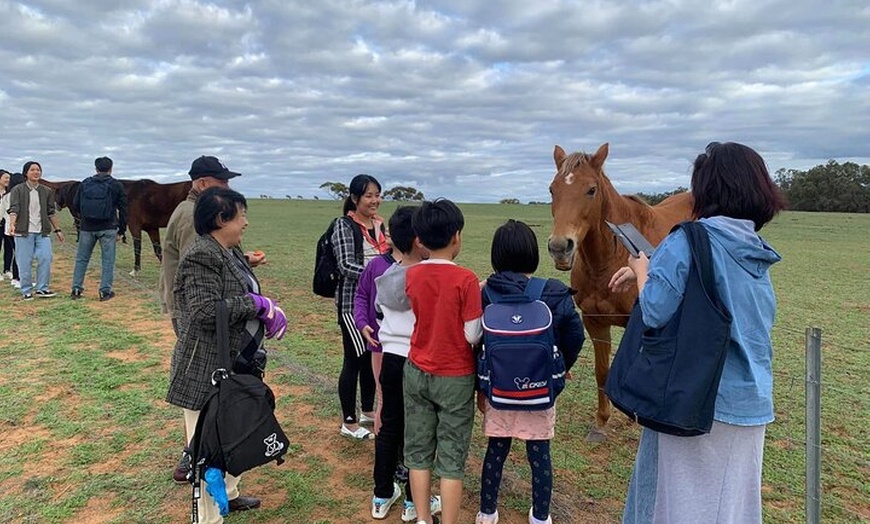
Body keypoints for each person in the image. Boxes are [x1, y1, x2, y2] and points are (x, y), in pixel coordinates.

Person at [608, 142, 785, 524]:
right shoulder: (756, 249)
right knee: (732, 510)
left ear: (706, 189)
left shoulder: (687, 239)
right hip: (752, 405)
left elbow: (655, 310)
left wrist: (641, 269)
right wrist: (656, 265)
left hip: (698, 402)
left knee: (677, 508)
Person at [165, 186, 286, 524]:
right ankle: (208, 518)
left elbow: (228, 291)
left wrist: (267, 309)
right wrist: (259, 306)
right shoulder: (201, 254)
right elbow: (204, 310)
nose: (245, 223)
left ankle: (229, 497)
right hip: (205, 369)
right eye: (241, 215)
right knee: (208, 454)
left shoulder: (227, 251)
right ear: (221, 219)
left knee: (232, 434)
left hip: (235, 364)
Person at [158, 155, 264, 484]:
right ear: (204, 185)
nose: (228, 187)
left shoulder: (193, 213)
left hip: (201, 310)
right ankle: (196, 458)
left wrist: (245, 266)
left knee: (216, 395)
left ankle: (212, 469)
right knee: (208, 391)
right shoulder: (194, 217)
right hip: (197, 315)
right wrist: (254, 301)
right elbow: (207, 270)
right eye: (222, 183)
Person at [474, 220, 585, 524]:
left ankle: (487, 512)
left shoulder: (486, 293)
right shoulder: (553, 292)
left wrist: (479, 387)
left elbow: (475, 343)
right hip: (540, 390)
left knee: (496, 450)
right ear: (533, 254)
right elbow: (575, 335)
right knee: (540, 455)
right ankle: (540, 516)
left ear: (496, 257)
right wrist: (562, 366)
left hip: (498, 391)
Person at [404, 199, 483, 524]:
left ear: (420, 240)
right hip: (456, 376)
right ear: (457, 237)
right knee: (451, 458)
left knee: (418, 452)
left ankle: (423, 519)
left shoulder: (412, 275)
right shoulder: (466, 279)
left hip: (417, 370)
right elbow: (472, 334)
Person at [368, 206, 442, 522]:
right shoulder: (427, 278)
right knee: (418, 433)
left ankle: (382, 495)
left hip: (391, 361)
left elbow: (379, 311)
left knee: (389, 428)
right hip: (418, 361)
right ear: (418, 239)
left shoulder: (385, 277)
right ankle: (414, 502)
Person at [333, 174, 390, 440]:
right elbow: (345, 265)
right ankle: (349, 421)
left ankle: (367, 409)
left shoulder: (380, 225)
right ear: (355, 199)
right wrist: (378, 273)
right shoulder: (344, 226)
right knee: (354, 359)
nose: (375, 200)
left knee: (372, 356)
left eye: (377, 194)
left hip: (377, 303)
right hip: (351, 302)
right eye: (368, 195)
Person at [70, 156, 128, 301]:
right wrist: (122, 230)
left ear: (95, 168)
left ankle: (76, 289)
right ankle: (104, 291)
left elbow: (76, 204)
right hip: (108, 227)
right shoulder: (116, 185)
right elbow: (124, 209)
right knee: (107, 261)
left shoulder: (85, 183)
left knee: (82, 259)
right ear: (111, 168)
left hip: (86, 227)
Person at [7, 161, 65, 300]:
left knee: (46, 258)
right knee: (24, 262)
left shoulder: (46, 191)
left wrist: (58, 230)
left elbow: (51, 212)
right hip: (23, 231)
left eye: (38, 170)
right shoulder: (18, 190)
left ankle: (42, 288)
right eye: (32, 170)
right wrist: (12, 224)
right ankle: (26, 290)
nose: (36, 172)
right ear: (26, 173)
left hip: (42, 231)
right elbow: (14, 209)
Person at [0, 172, 23, 288]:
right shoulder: (14, 195)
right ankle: (17, 278)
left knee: (17, 252)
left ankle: (16, 276)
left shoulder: (6, 196)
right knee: (19, 253)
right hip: (13, 229)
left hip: (9, 228)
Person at [0, 170, 14, 281]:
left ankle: (7, 270)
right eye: (6, 178)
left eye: (9, 178)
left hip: (7, 224)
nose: (7, 180)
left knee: (9, 248)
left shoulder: (10, 193)